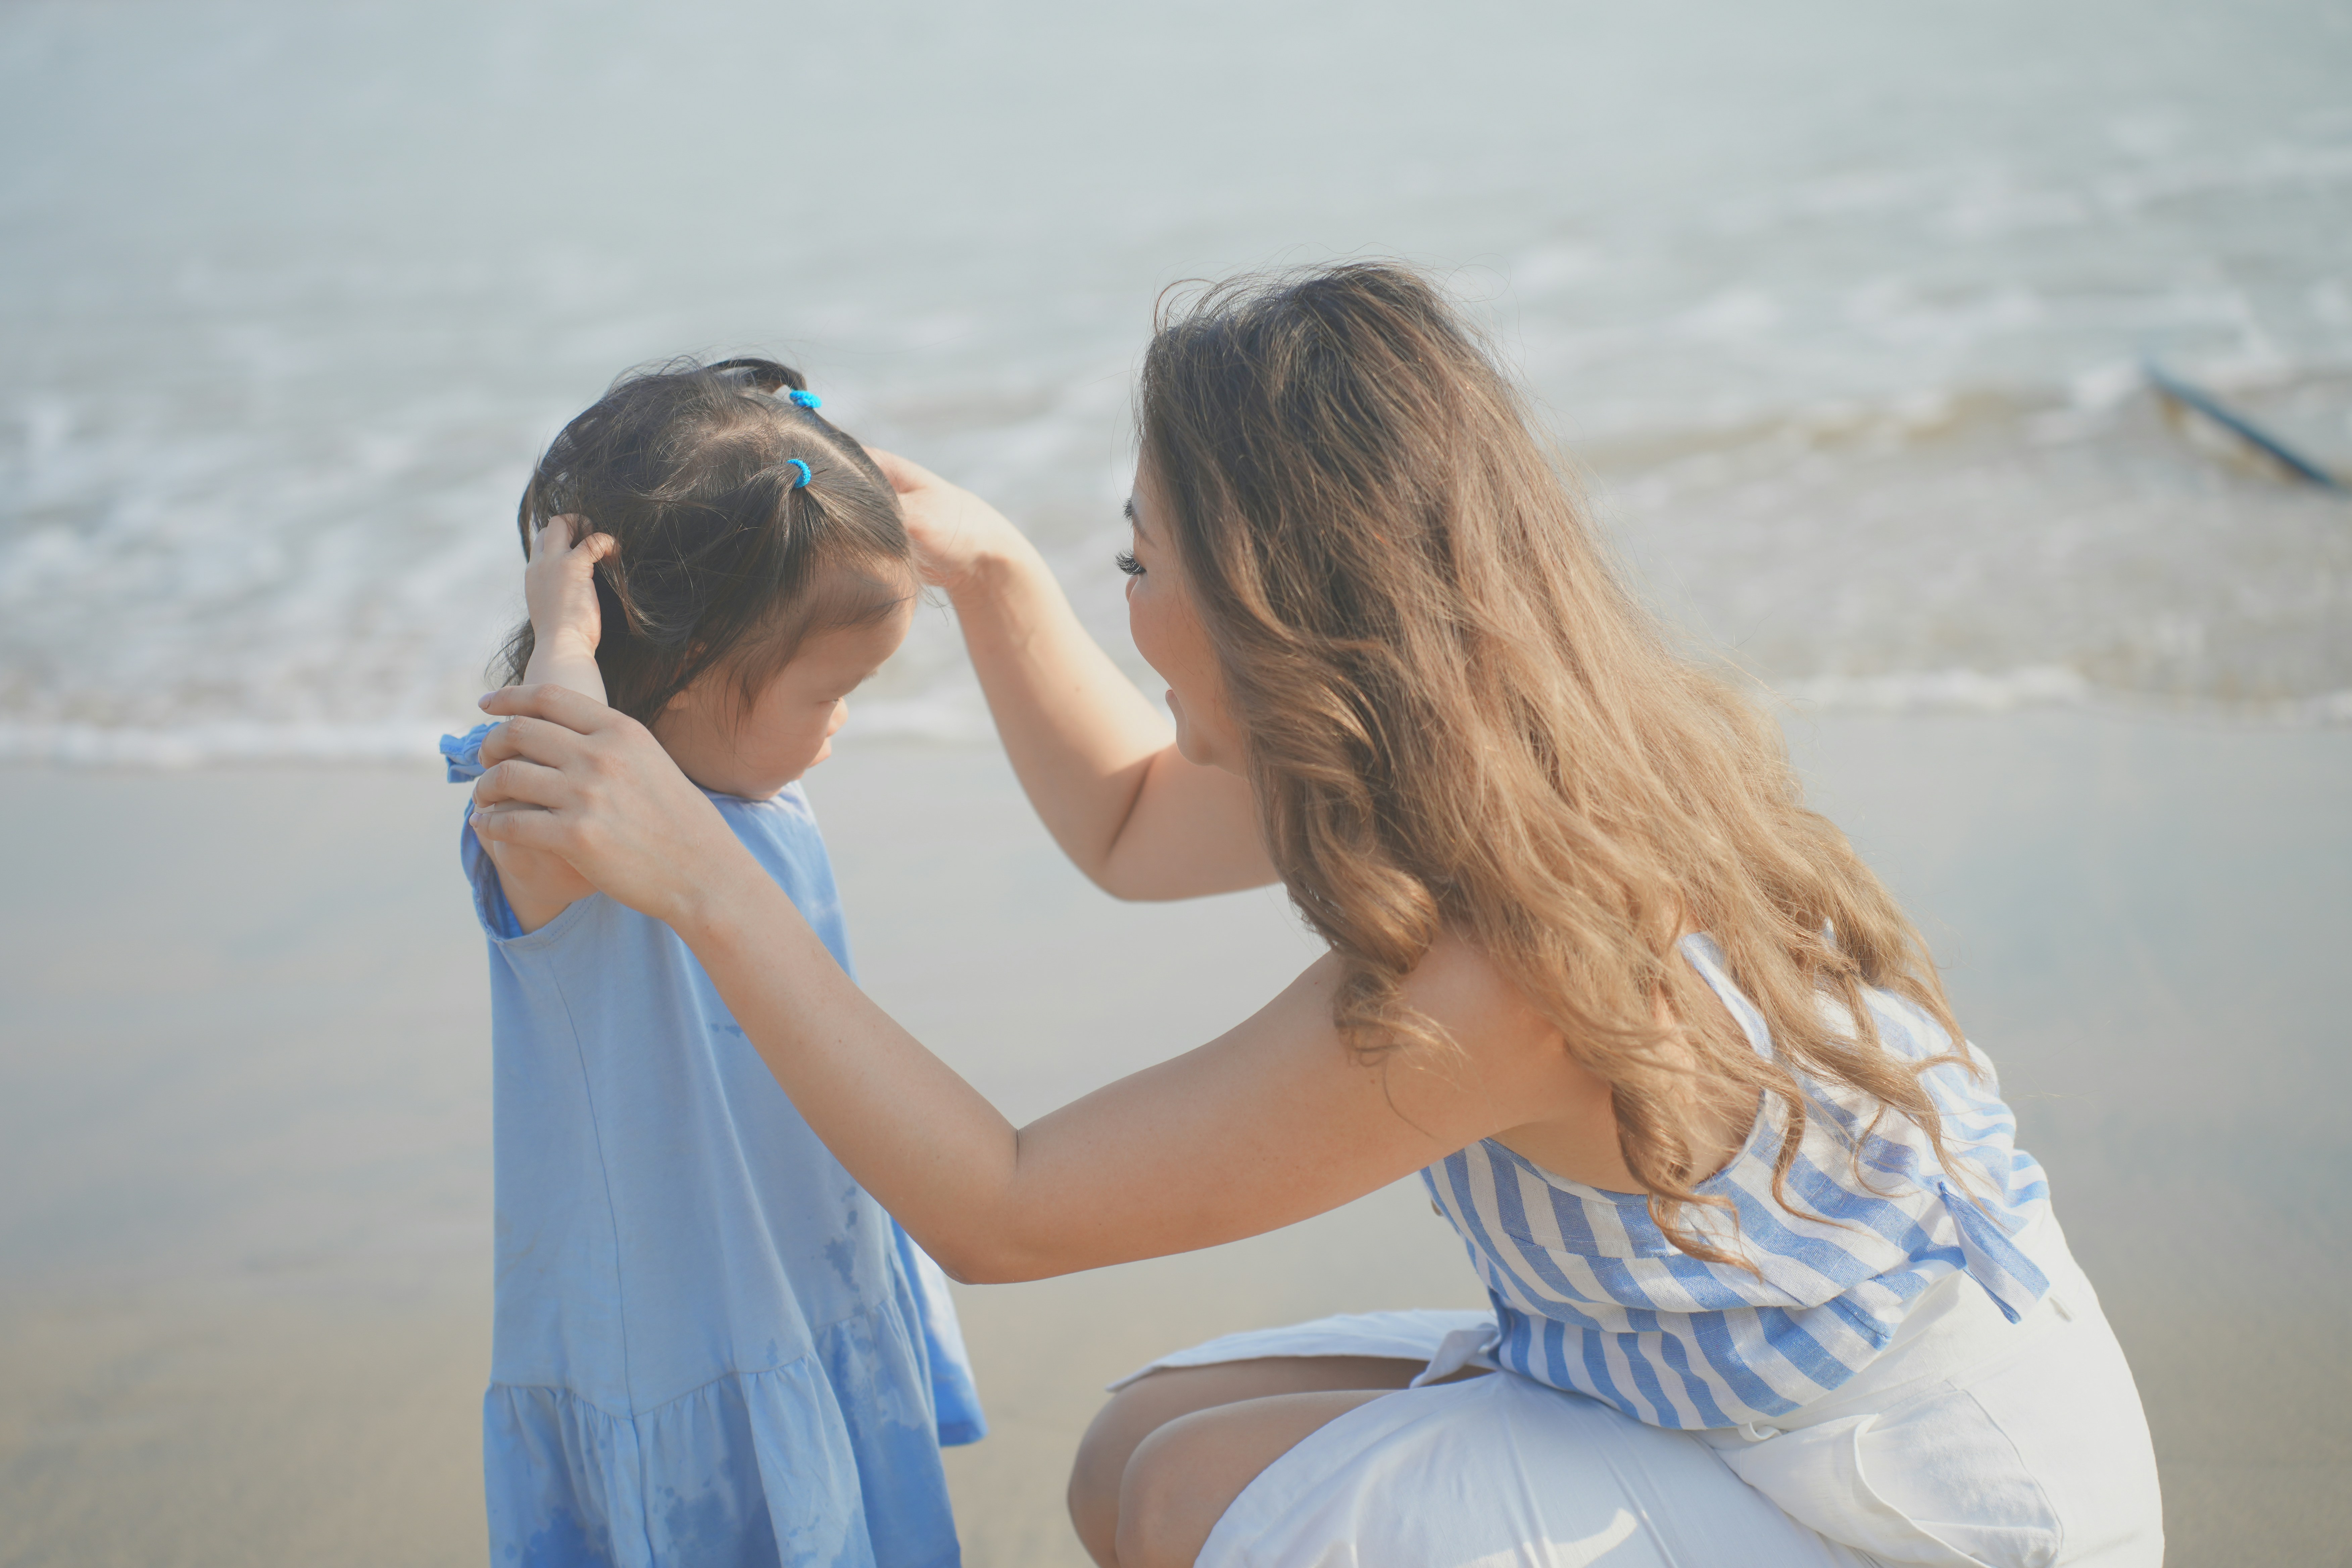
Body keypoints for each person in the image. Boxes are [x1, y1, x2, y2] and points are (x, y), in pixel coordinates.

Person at [467, 266, 2164, 1568]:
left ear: (1278, 599)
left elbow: (1005, 1206)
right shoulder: (1480, 734)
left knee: (1200, 1499)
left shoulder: (1514, 962)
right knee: (1133, 1451)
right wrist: (990, 576)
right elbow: (1133, 821)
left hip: (1910, 1496)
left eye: (1138, 561)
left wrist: (699, 877)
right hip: (1708, 1368)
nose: (1124, 601)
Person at [440, 356, 984, 1568]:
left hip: (812, 1265)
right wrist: (569, 638)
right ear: (675, 668)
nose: (842, 721)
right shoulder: (559, 830)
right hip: (677, 1337)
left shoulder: (753, 801)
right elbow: (560, 745)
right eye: (825, 691)